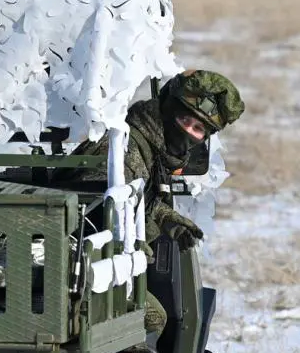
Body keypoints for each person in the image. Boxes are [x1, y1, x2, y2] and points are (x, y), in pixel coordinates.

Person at [65, 69, 244, 335]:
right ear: (167, 109)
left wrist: (163, 216)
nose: (188, 131)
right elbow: (98, 211)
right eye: (184, 119)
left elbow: (134, 198)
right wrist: (140, 247)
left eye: (198, 129)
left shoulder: (150, 144)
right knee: (154, 318)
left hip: (91, 263)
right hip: (77, 269)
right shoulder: (125, 147)